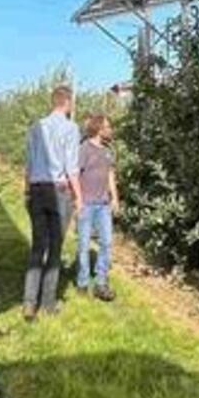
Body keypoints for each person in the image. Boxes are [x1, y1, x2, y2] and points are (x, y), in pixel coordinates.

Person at [22, 85, 82, 321]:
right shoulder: (70, 128)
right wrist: (80, 198)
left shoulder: (36, 127)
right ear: (67, 102)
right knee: (55, 247)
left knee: (38, 246)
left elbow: (29, 162)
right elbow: (71, 167)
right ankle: (48, 303)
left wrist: (27, 189)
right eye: (72, 102)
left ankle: (29, 303)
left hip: (37, 189)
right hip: (58, 191)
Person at [75, 114, 119, 301]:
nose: (111, 130)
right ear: (98, 129)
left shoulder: (108, 151)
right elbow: (75, 175)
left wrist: (115, 198)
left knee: (107, 242)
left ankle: (101, 282)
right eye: (108, 127)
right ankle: (83, 282)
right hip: (86, 204)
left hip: (103, 205)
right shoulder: (84, 149)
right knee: (84, 245)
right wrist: (77, 201)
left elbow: (110, 175)